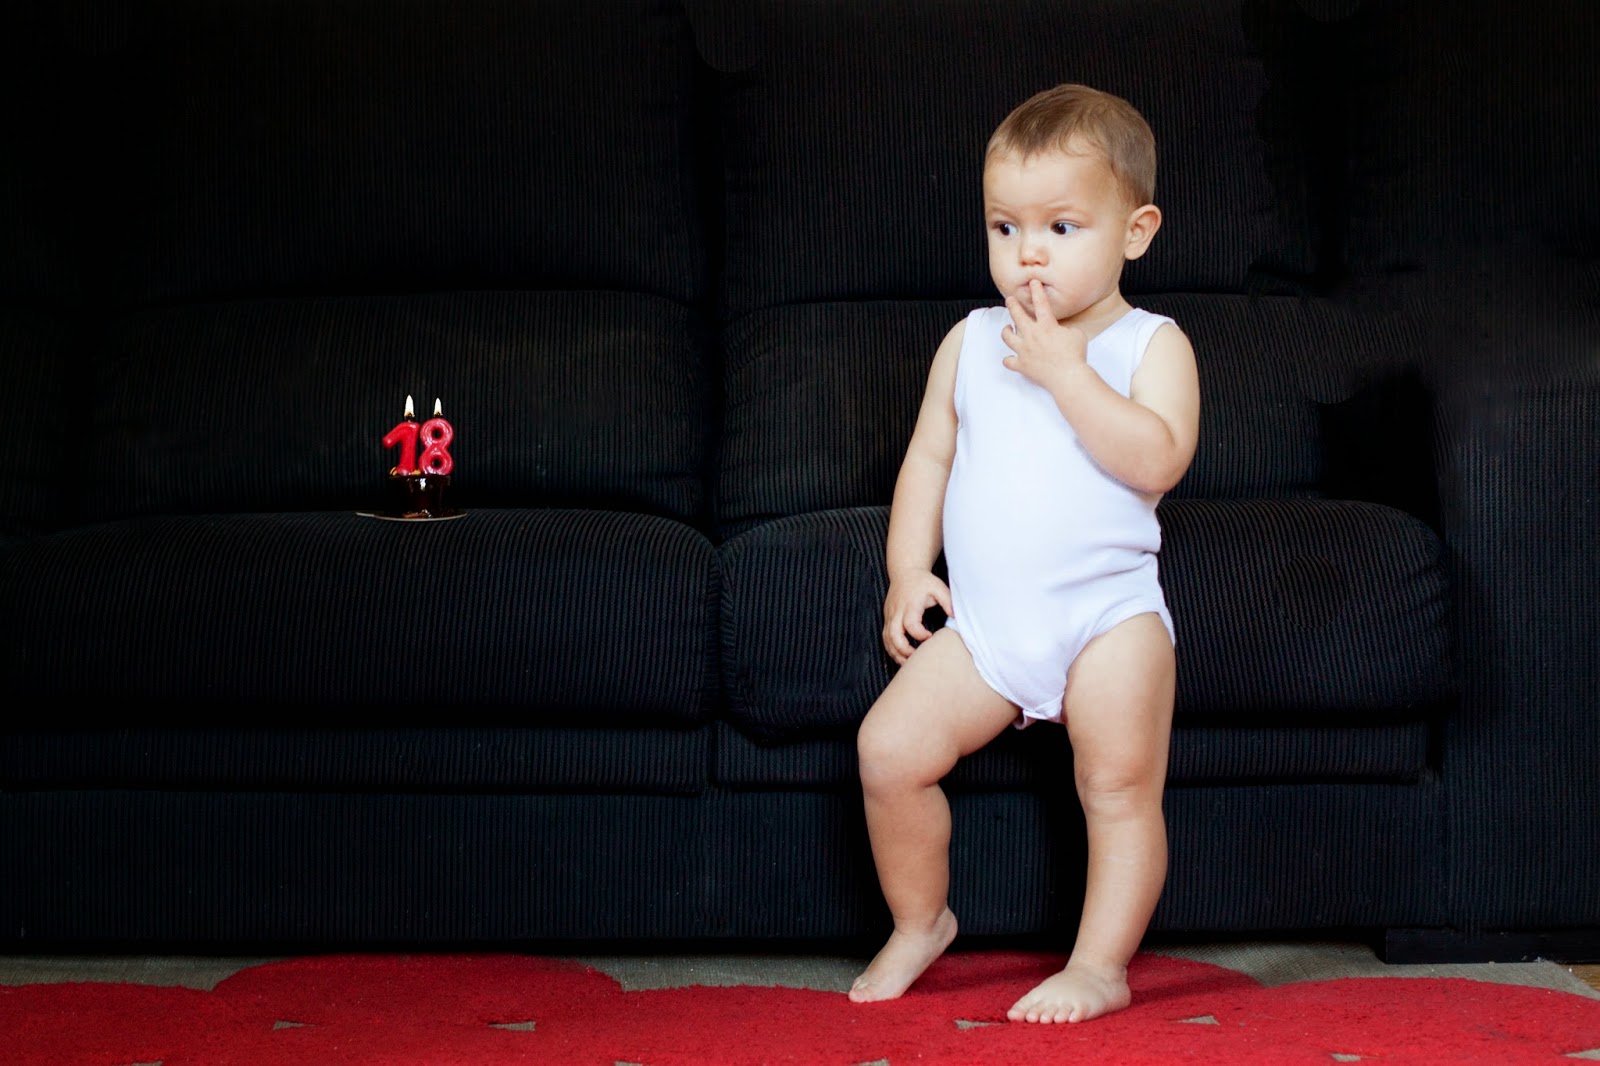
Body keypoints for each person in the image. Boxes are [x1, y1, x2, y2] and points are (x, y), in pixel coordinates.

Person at [848, 83, 1200, 1024]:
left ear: (1135, 232)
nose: (1028, 253)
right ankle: (921, 921)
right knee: (888, 752)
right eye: (1005, 228)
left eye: (1061, 227)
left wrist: (1068, 376)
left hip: (1108, 619)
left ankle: (1099, 965)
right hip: (989, 626)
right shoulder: (970, 342)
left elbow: (1158, 460)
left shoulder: (1150, 345)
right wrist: (909, 570)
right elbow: (929, 458)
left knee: (1119, 788)